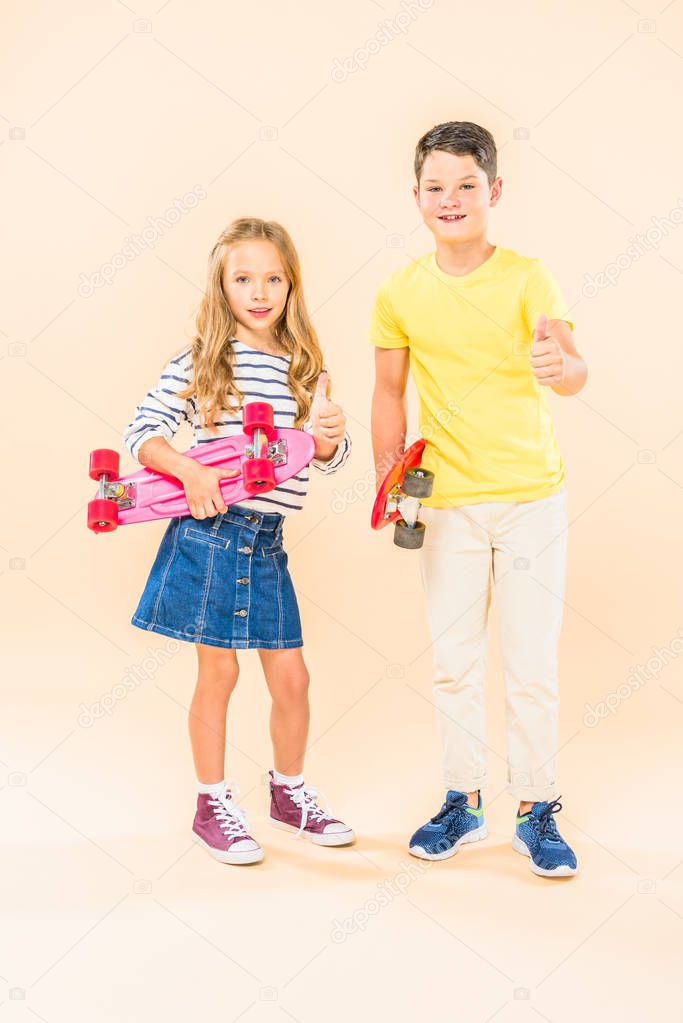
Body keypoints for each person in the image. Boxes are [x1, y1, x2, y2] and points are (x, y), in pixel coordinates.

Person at [369, 121, 587, 878]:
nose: (450, 198)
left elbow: (572, 369)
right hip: (446, 504)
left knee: (529, 664)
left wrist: (559, 364)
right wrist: (388, 478)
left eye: (466, 185)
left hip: (532, 498)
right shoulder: (400, 289)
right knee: (453, 664)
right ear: (417, 197)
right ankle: (462, 800)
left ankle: (536, 808)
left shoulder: (529, 277)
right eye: (435, 187)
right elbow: (388, 392)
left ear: (493, 192)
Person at [123, 217, 355, 864]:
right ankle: (211, 801)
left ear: (291, 284)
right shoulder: (204, 360)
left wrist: (331, 438)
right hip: (210, 535)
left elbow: (321, 454)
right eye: (243, 278)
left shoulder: (306, 367)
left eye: (273, 278)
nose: (259, 291)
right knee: (218, 672)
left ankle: (288, 792)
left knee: (292, 679)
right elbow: (143, 430)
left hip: (268, 541)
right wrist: (189, 469)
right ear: (221, 287)